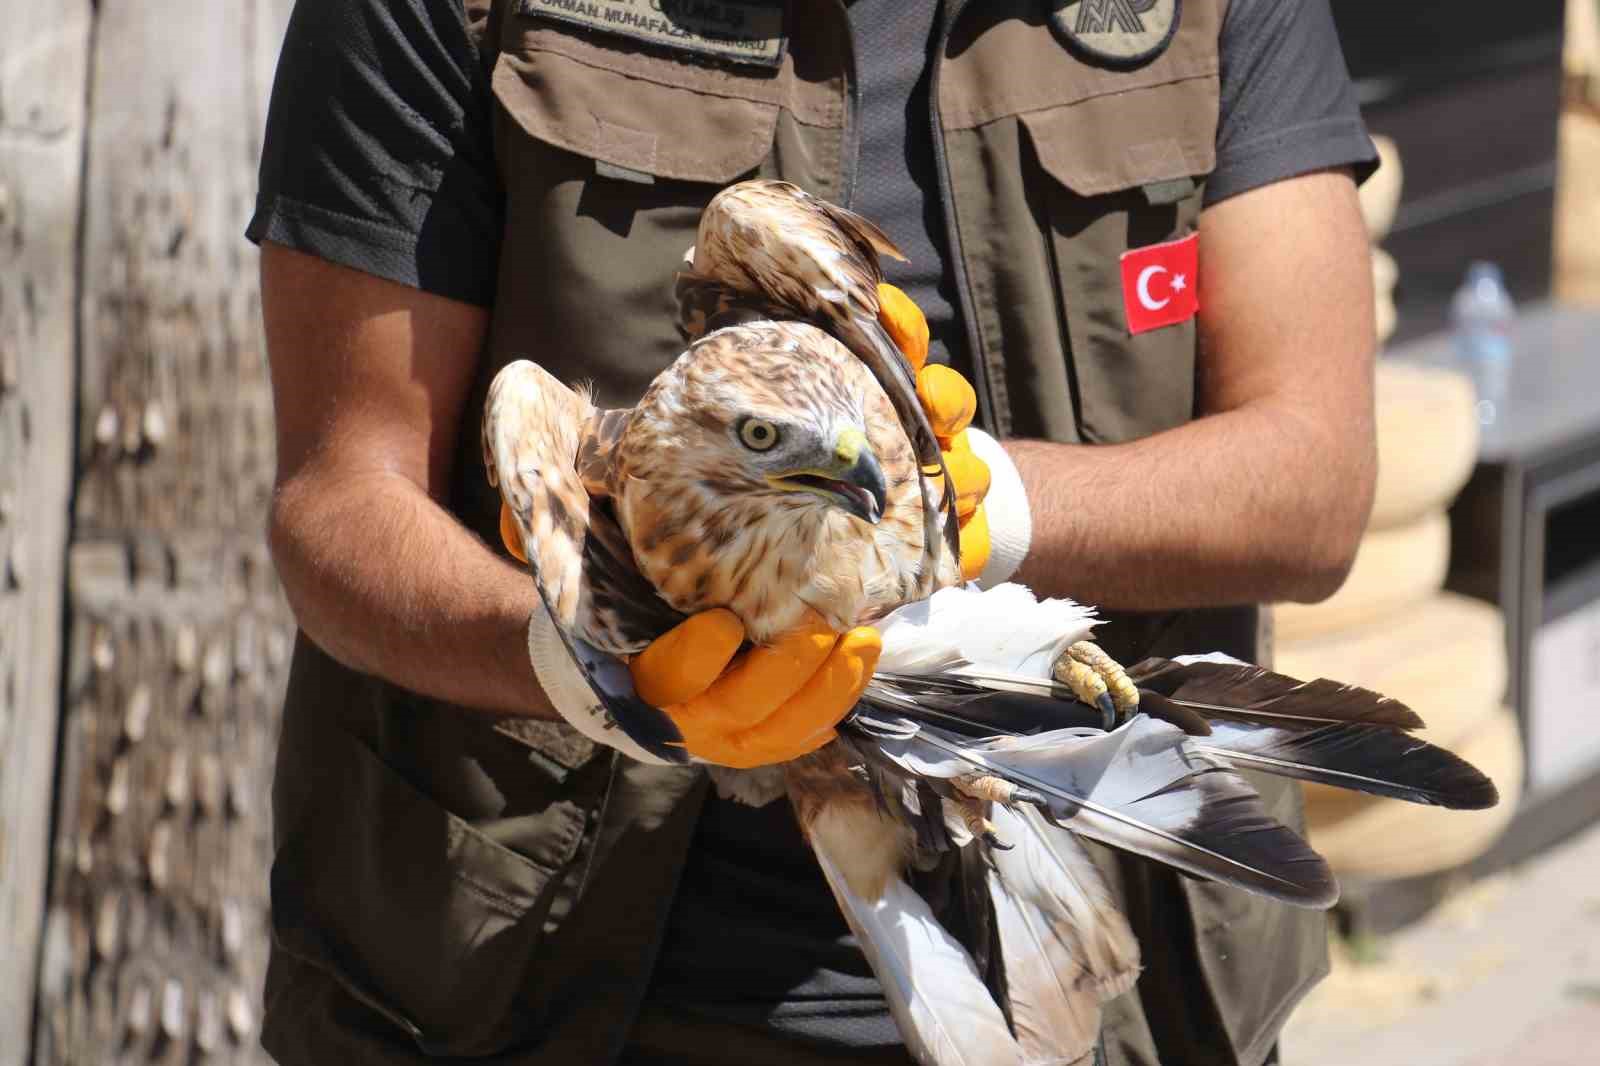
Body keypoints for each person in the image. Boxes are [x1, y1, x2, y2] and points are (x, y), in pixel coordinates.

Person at [249, 1, 1379, 1064]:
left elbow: (1313, 482)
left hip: (1110, 963)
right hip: (554, 991)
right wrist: (582, 663)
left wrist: (972, 504)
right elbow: (339, 501)